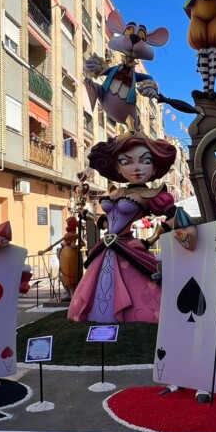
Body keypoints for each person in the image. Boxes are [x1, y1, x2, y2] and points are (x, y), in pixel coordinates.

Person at [68, 133, 180, 324]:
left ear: (154, 166)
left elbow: (175, 218)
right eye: (126, 161)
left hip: (129, 248)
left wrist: (149, 240)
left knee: (139, 289)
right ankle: (99, 315)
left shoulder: (149, 193)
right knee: (99, 286)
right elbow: (106, 222)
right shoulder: (116, 192)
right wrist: (88, 215)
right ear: (118, 167)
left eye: (145, 161)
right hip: (107, 247)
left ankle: (135, 315)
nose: (136, 168)